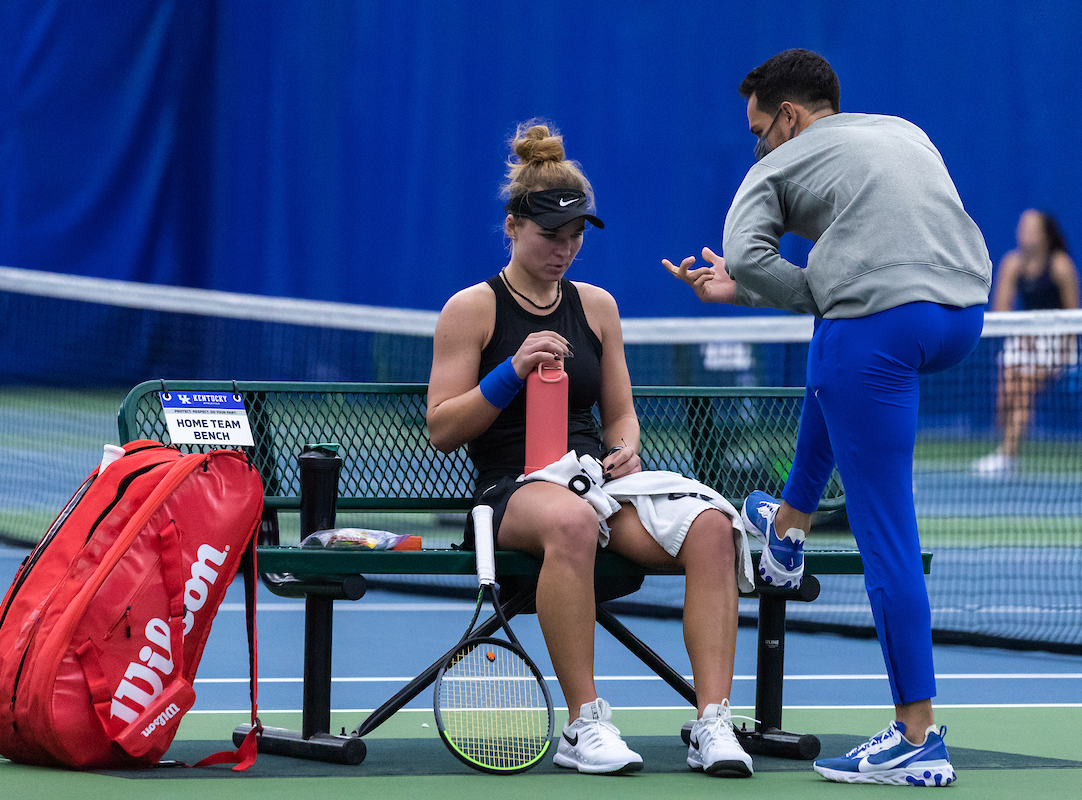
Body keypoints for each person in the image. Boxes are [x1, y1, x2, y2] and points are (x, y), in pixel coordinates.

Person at [663, 49, 991, 786]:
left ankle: (916, 734)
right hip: (963, 316)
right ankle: (787, 528)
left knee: (888, 540)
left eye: (758, 129)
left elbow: (749, 258)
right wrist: (817, 296)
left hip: (876, 333)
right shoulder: (904, 131)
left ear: (788, 117)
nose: (756, 145)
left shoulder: (771, 171)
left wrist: (759, 288)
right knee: (832, 338)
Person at [428, 120, 754, 777]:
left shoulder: (598, 307)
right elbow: (441, 427)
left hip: (594, 484)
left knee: (716, 528)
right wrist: (509, 371)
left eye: (576, 234)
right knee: (572, 522)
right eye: (552, 234)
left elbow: (622, 413)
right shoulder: (472, 309)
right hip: (510, 493)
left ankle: (713, 722)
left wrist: (626, 449)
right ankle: (585, 724)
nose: (565, 248)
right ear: (513, 226)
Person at [973, 209, 1080, 476]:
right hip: (1023, 340)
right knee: (1007, 388)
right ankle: (1007, 448)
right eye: (1023, 227)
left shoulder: (1060, 266)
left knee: (1025, 386)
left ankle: (1007, 454)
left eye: (1033, 228)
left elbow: (1072, 318)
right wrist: (1022, 335)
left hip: (1057, 344)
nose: (1026, 233)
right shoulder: (1013, 263)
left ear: (1045, 235)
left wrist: (1057, 348)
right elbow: (1001, 313)